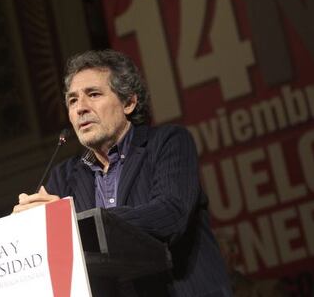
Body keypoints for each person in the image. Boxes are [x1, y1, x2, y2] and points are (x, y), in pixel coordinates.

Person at [13, 49, 232, 296]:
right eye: (72, 100)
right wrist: (28, 228)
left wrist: (72, 224)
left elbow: (170, 215)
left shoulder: (168, 142)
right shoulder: (63, 176)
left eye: (93, 94)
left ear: (129, 102)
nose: (80, 108)